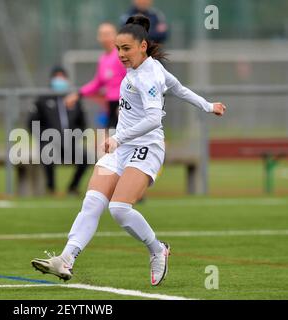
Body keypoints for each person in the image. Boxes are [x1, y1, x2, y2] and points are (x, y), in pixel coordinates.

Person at [31, 15, 226, 286]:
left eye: (126, 49)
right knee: (92, 202)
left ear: (142, 46)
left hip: (147, 146)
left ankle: (158, 249)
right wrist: (208, 105)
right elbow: (178, 88)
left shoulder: (148, 75)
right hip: (123, 146)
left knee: (120, 209)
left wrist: (118, 138)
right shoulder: (148, 66)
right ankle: (66, 258)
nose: (121, 54)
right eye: (118, 49)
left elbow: (153, 119)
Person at [28, 66, 89, 196]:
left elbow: (82, 124)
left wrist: (74, 137)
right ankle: (51, 189)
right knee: (47, 154)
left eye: (62, 77)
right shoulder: (43, 100)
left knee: (86, 158)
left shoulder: (74, 100)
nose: (60, 80)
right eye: (57, 77)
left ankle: (72, 188)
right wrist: (45, 138)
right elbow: (32, 123)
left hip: (69, 142)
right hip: (49, 142)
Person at [65, 23, 126, 129]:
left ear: (116, 36)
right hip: (110, 106)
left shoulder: (121, 56)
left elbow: (131, 80)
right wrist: (78, 94)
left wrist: (125, 104)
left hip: (123, 106)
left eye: (108, 34)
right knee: (109, 140)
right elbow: (97, 82)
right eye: (102, 35)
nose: (105, 38)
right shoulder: (103, 59)